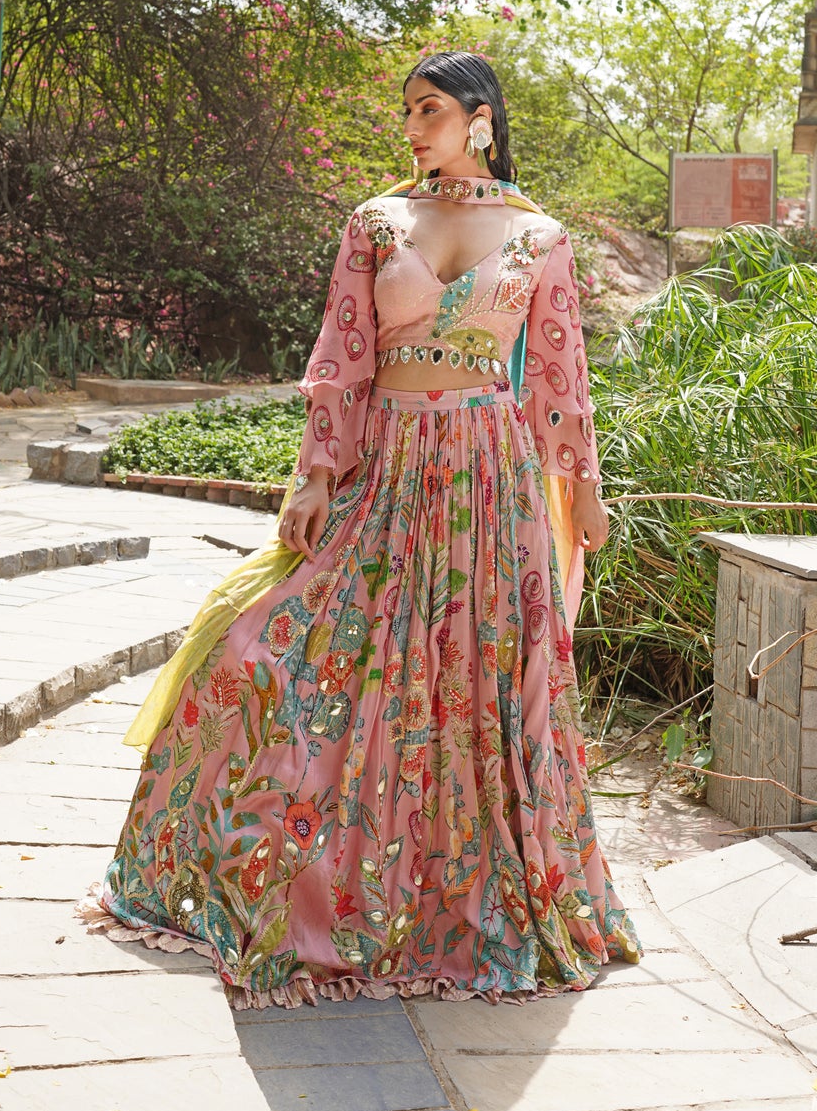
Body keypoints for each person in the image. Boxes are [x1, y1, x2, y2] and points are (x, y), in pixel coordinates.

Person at [81, 51, 640, 1006]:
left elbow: (557, 379)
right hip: (384, 468)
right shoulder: (377, 223)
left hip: (491, 480)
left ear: (480, 119)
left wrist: (582, 488)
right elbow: (341, 360)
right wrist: (313, 477)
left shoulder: (542, 237)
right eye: (409, 111)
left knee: (470, 679)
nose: (414, 126)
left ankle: (453, 900)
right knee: (274, 648)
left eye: (430, 110)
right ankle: (288, 876)